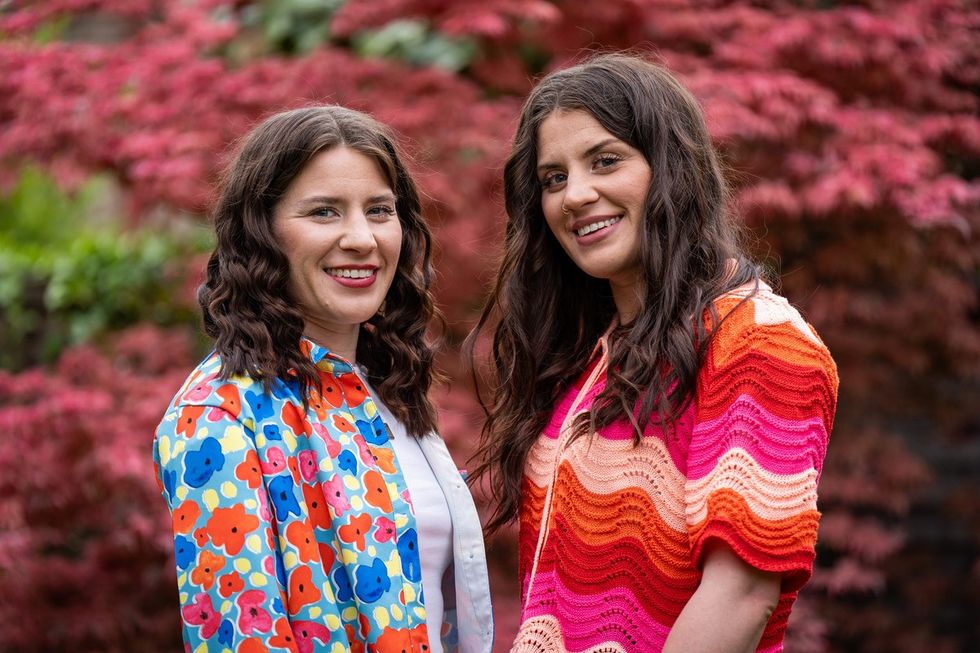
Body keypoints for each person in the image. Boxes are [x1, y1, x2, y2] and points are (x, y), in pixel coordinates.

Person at [471, 54, 839, 653]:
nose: (575, 195)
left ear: (670, 168)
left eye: (606, 161)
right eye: (553, 178)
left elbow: (742, 595)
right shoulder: (592, 353)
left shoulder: (760, 340)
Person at [154, 105, 493, 653]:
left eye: (379, 210)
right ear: (260, 233)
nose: (362, 238)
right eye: (324, 213)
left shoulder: (386, 392)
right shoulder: (217, 417)